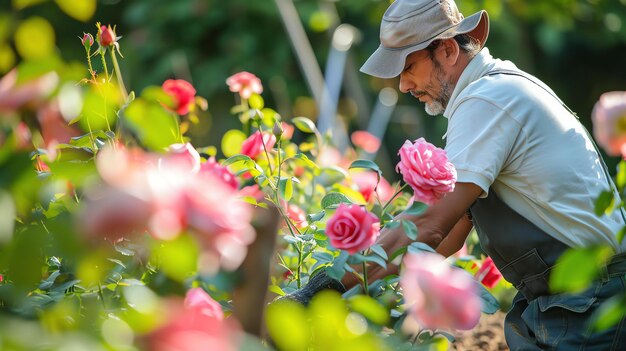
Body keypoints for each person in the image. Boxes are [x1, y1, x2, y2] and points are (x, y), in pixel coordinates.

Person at [286, 0, 626, 349]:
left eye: (408, 67)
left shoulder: (488, 100)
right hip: (575, 298)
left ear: (447, 50)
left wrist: (320, 291)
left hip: (590, 300)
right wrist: (374, 294)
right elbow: (447, 237)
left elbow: (431, 223)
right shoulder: (493, 92)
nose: (403, 85)